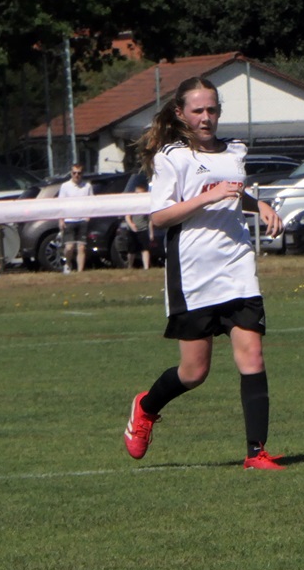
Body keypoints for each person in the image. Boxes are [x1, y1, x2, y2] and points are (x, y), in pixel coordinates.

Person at [122, 77, 285, 470]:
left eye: (212, 110)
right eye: (197, 111)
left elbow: (232, 192)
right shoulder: (172, 157)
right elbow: (160, 217)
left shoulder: (234, 151)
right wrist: (207, 196)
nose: (206, 117)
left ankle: (256, 452)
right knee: (194, 372)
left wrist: (258, 205)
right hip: (194, 272)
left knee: (253, 355)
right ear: (181, 113)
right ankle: (146, 406)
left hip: (237, 266)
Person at [57, 163, 93, 273]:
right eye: (74, 173)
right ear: (71, 173)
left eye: (79, 173)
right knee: (69, 247)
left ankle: (80, 271)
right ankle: (68, 263)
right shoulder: (65, 186)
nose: (76, 175)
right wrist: (61, 220)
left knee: (81, 247)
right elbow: (60, 204)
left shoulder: (87, 186)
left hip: (82, 220)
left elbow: (92, 202)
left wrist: (88, 217)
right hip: (69, 220)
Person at [124, 182, 153, 270]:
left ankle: (146, 267)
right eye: (137, 193)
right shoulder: (132, 203)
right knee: (131, 250)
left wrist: (151, 233)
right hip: (132, 230)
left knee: (145, 249)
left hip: (143, 228)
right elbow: (127, 217)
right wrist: (131, 225)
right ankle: (129, 266)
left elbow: (150, 220)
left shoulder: (146, 204)